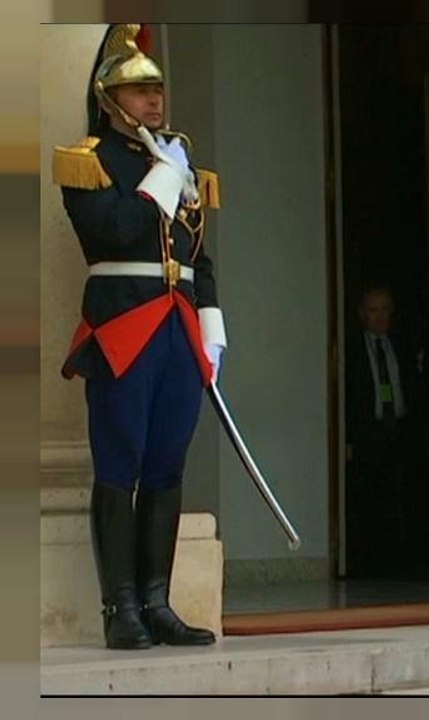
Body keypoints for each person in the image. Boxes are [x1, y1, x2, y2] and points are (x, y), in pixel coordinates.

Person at [52, 24, 224, 649]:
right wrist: (160, 179)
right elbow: (115, 232)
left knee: (166, 467)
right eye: (139, 90)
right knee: (119, 465)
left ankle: (157, 600)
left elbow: (198, 254)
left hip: (177, 326)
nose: (154, 101)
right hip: (124, 323)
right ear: (109, 99)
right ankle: (118, 607)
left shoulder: (178, 157)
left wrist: (212, 326)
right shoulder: (88, 161)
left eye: (157, 89)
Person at [344, 285, 427, 578]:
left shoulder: (403, 345)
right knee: (367, 501)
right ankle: (367, 564)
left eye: (385, 310)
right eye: (373, 310)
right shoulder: (349, 349)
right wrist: (348, 439)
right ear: (361, 314)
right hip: (367, 435)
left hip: (400, 432)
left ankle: (402, 563)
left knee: (402, 498)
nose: (380, 317)